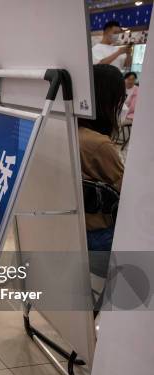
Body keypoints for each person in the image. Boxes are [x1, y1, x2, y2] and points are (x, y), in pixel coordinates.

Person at [77, 64, 125, 253]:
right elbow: (125, 193)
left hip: (70, 227)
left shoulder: (63, 130)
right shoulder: (99, 145)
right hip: (98, 233)